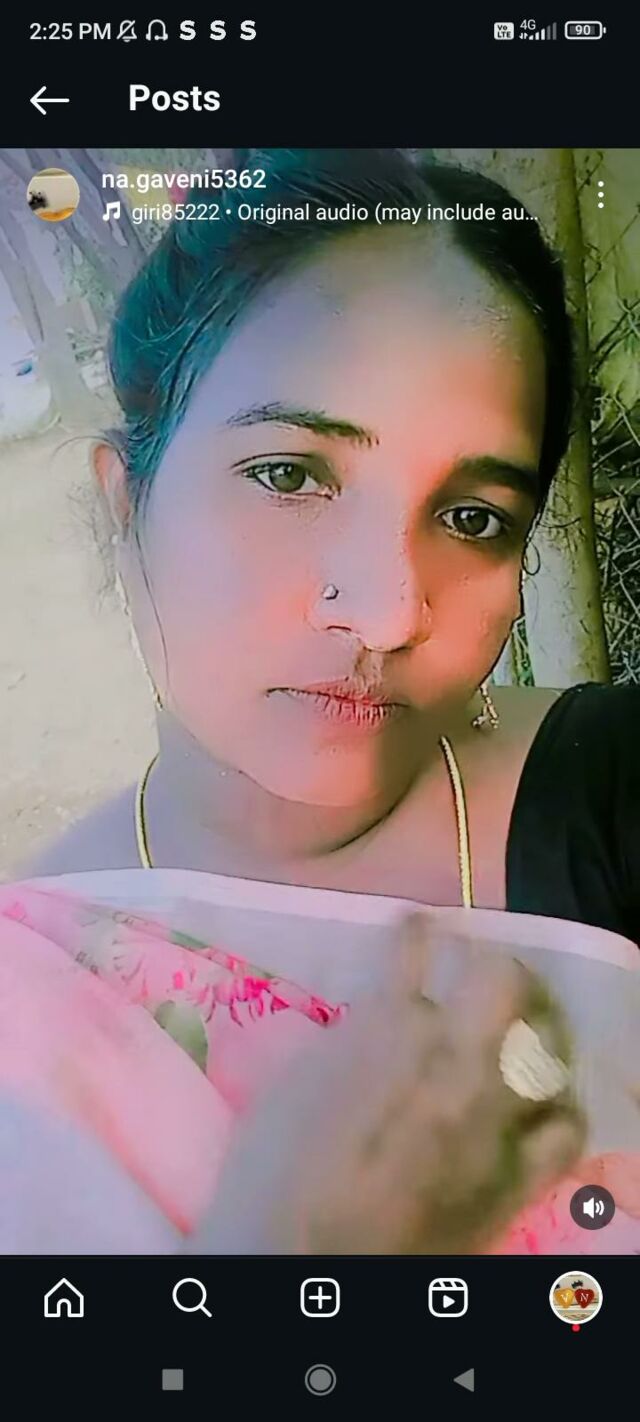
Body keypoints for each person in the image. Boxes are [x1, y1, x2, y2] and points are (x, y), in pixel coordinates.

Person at [8, 147, 639, 1251]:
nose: (388, 614)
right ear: (126, 507)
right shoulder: (32, 986)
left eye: (473, 518)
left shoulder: (613, 797)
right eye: (290, 474)